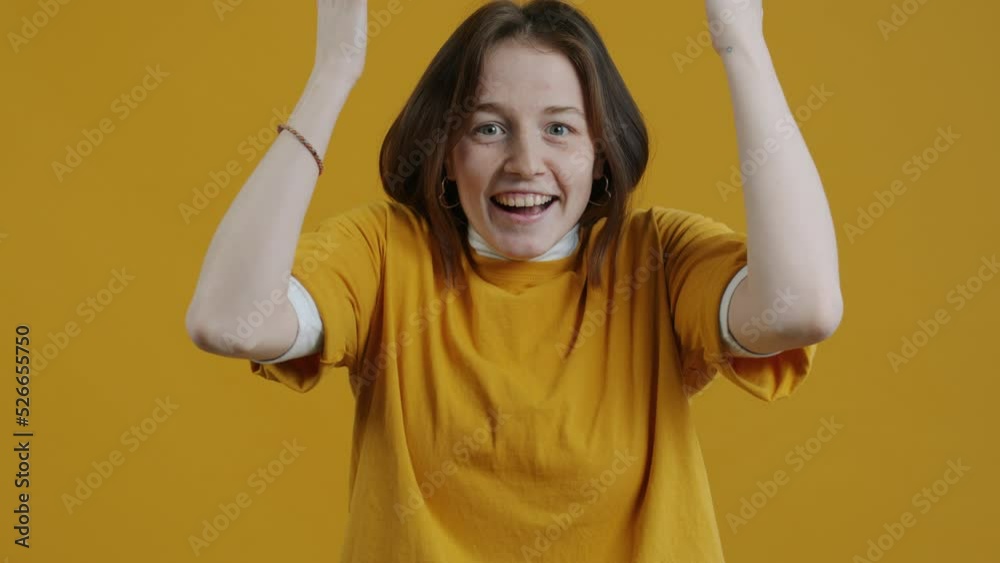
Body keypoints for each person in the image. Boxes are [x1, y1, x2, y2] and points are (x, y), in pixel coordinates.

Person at [185, 0, 843, 560]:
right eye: (489, 127)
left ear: (599, 154)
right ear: (444, 154)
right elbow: (227, 318)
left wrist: (742, 44)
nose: (525, 162)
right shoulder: (387, 254)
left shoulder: (657, 259)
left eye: (559, 128)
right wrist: (332, 73)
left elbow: (803, 307)